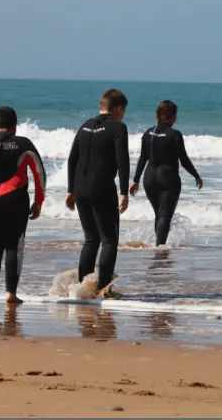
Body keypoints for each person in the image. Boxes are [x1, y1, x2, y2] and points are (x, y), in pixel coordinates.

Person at [0, 106, 46, 305]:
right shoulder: (23, 144)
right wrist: (39, 201)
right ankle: (11, 295)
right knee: (14, 246)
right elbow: (39, 172)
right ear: (15, 127)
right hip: (16, 199)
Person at [65, 89, 130, 299]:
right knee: (109, 241)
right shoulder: (118, 127)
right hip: (101, 188)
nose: (124, 115)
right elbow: (123, 161)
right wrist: (123, 192)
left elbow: (72, 159)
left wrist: (70, 189)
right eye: (124, 111)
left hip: (80, 188)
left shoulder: (85, 126)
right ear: (118, 108)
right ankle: (104, 289)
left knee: (91, 239)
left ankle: (82, 288)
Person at [129, 100, 203, 246]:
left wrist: (136, 180)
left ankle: (158, 246)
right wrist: (196, 175)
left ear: (157, 115)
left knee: (159, 214)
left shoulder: (148, 133)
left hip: (149, 179)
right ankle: (160, 249)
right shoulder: (175, 135)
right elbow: (184, 160)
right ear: (171, 117)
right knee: (164, 216)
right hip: (167, 178)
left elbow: (142, 159)